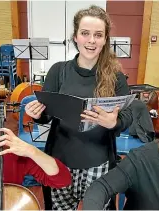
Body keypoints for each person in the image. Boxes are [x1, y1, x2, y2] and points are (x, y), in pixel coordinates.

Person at [25, 5, 133, 210]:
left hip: (99, 162)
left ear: (105, 39)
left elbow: (127, 115)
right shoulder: (59, 71)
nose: (91, 40)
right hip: (60, 161)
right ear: (75, 37)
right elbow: (46, 115)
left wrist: (114, 122)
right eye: (85, 33)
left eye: (98, 35)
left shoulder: (116, 76)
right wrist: (37, 114)